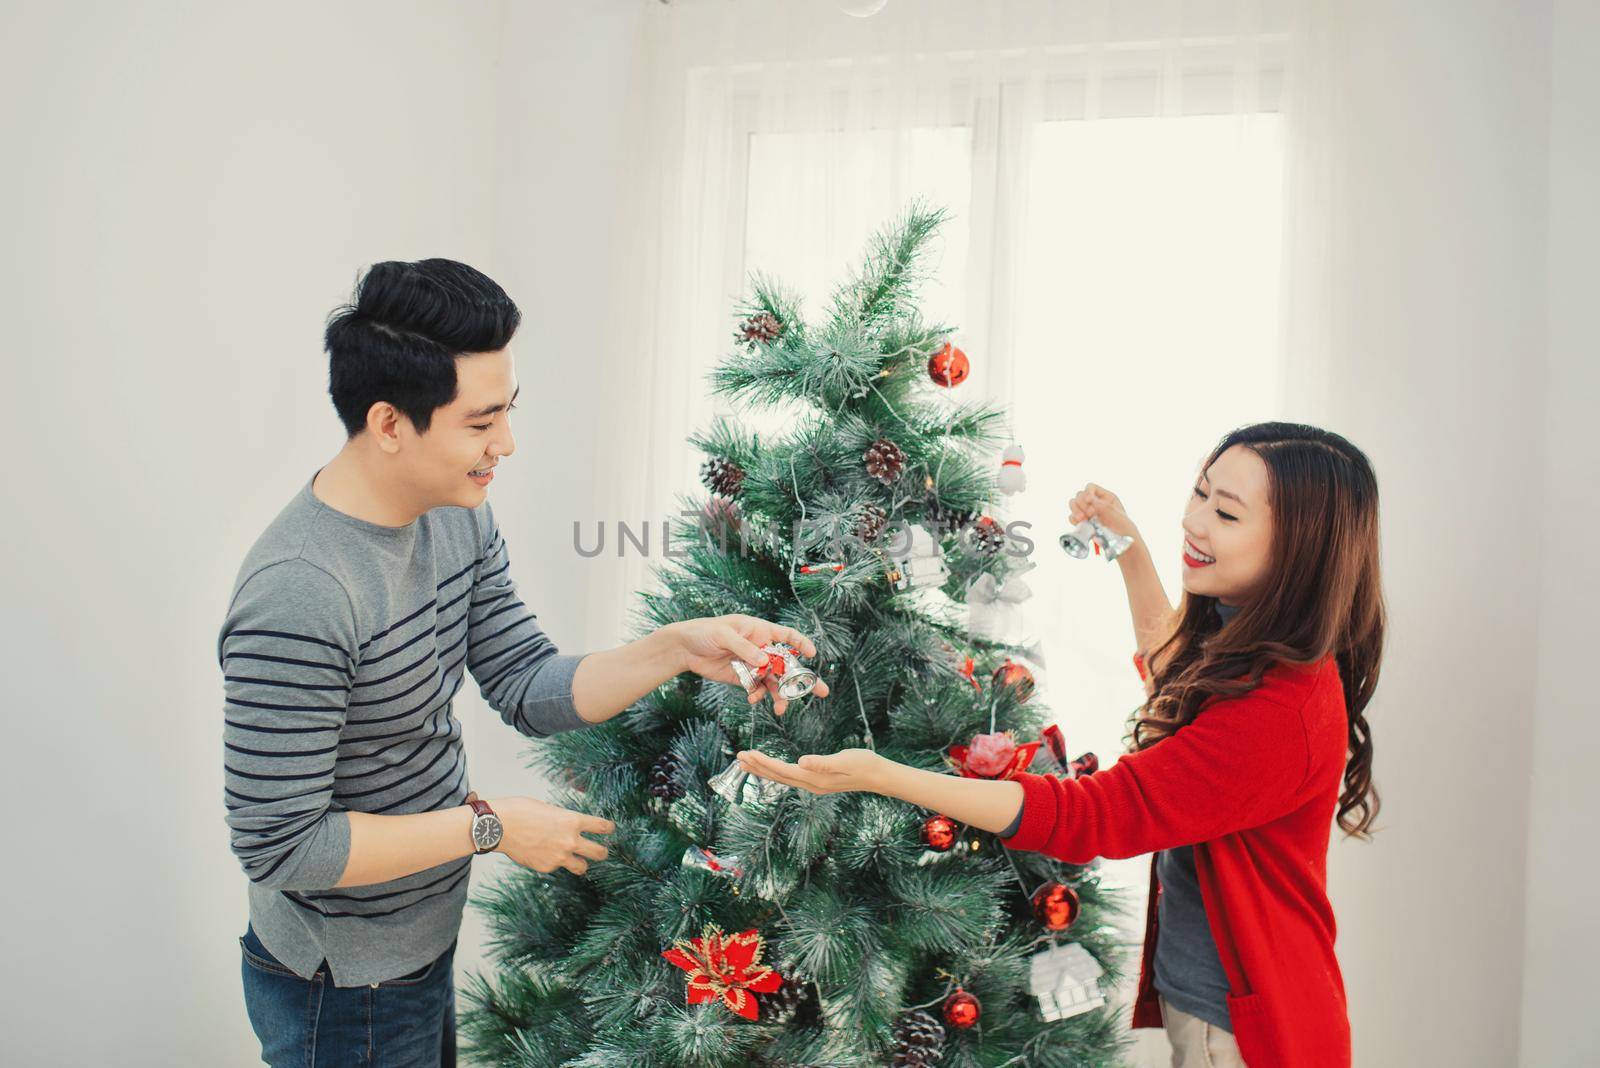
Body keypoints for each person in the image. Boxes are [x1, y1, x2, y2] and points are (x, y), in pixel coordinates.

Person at [221, 258, 827, 1066]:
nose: (505, 444)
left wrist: (677, 646)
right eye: (480, 423)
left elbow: (525, 683)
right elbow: (285, 847)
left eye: (508, 411)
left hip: (415, 948)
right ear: (391, 423)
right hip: (342, 986)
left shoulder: (454, 515)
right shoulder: (301, 592)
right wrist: (491, 827)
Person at [739, 422, 1384, 1068]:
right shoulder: (1255, 636)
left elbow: (1088, 815)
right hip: (1226, 1009)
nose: (1194, 521)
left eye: (1226, 512)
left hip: (1245, 1035)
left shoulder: (1278, 711)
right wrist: (1127, 546)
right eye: (1199, 491)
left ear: (1298, 551)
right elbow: (1177, 671)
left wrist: (882, 775)